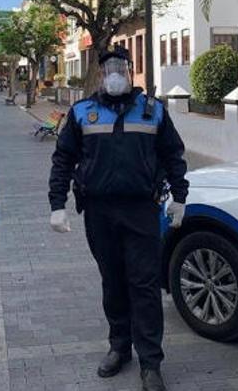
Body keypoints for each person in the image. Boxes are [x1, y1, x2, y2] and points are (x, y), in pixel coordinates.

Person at [48, 48, 189, 391]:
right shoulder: (83, 112)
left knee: (143, 285)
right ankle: (119, 347)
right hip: (99, 211)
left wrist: (180, 198)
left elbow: (173, 155)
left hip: (141, 210)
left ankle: (151, 362)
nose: (115, 74)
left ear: (130, 72)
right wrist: (57, 204)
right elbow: (63, 158)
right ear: (100, 74)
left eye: (121, 67)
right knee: (112, 282)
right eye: (109, 68)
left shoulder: (153, 111)